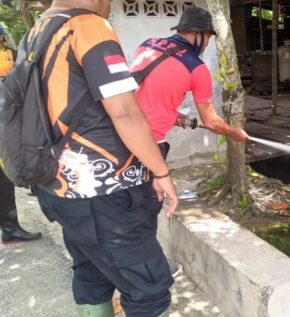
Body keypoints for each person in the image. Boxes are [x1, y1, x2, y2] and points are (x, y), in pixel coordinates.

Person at [29, 1, 178, 317]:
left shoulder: (41, 28)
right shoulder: (88, 26)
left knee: (92, 273)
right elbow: (124, 111)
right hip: (104, 195)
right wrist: (161, 172)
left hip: (60, 189)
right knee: (149, 290)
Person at [130, 7, 248, 158]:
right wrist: (233, 132)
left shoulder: (148, 44)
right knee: (159, 181)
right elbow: (211, 122)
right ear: (198, 34)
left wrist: (172, 115)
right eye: (208, 38)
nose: (206, 45)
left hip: (119, 126)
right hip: (147, 140)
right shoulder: (197, 68)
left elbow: (147, 92)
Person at [0, 27, 42, 243]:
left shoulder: (15, 56)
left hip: (14, 119)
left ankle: (10, 228)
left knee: (12, 167)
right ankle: (9, 228)